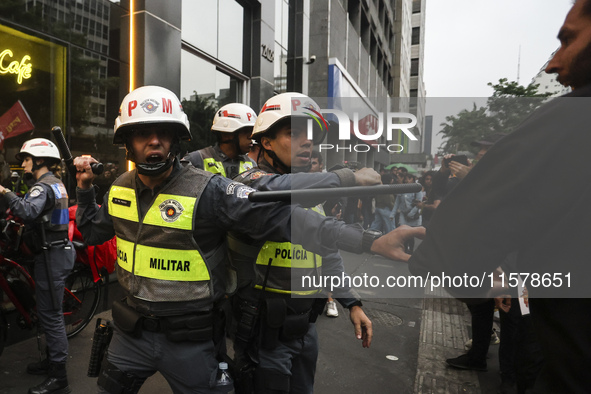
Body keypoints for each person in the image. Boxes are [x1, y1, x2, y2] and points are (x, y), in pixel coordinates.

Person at [73, 86, 422, 394]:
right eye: (142, 133)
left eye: (163, 132)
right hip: (131, 332)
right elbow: (90, 232)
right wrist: (85, 189)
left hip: (191, 339)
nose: (154, 141)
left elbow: (298, 223)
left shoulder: (209, 189)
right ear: (127, 142)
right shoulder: (119, 186)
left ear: (176, 139)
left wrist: (367, 248)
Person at [374, 1, 591, 391]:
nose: (553, 64)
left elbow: (456, 248)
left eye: (568, 40)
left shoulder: (570, 121)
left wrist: (477, 274)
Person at [229, 92, 376, 393]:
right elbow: (273, 191)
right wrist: (346, 179)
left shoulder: (311, 191)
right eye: (293, 133)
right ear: (266, 142)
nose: (307, 141)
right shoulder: (248, 184)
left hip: (306, 326)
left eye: (311, 135)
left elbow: (328, 253)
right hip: (262, 328)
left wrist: (352, 302)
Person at [0, 138, 76, 394]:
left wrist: (4, 192)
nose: (23, 163)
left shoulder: (43, 186)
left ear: (39, 160)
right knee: (47, 312)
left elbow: (28, 211)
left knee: (51, 316)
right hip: (57, 250)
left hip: (52, 255)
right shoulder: (56, 184)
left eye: (27, 159)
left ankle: (59, 378)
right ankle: (51, 362)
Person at [184, 103, 256, 179]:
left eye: (252, 131)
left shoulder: (252, 164)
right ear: (226, 134)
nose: (251, 136)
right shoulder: (196, 160)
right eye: (246, 132)